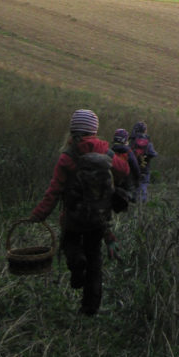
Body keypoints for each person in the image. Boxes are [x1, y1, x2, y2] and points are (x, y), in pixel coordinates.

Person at [28, 109, 129, 316]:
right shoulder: (106, 152)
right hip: (98, 220)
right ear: (94, 131)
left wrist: (39, 214)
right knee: (95, 261)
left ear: (73, 131)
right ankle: (90, 308)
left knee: (69, 244)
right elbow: (125, 170)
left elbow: (54, 191)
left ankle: (76, 262)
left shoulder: (67, 157)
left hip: (73, 218)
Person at [129, 121, 158, 202]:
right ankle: (142, 199)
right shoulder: (148, 142)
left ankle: (133, 198)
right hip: (145, 167)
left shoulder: (132, 141)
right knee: (143, 183)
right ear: (145, 130)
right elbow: (153, 153)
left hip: (133, 166)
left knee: (133, 181)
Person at [112, 128, 140, 203]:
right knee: (129, 190)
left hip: (113, 175)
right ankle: (130, 201)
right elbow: (135, 165)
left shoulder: (111, 150)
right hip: (127, 176)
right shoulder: (128, 151)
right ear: (125, 140)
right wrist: (137, 176)